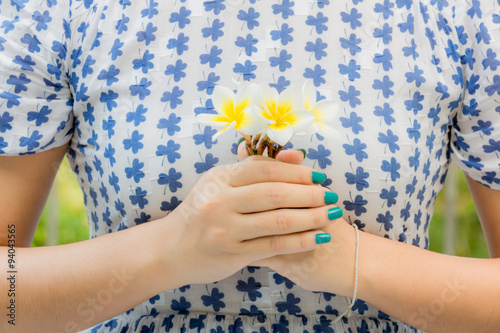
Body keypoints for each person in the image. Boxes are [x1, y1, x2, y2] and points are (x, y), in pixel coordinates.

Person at [1, 0, 499, 332]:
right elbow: (7, 296)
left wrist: (354, 262)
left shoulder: (456, 14)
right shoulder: (62, 12)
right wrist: (168, 249)